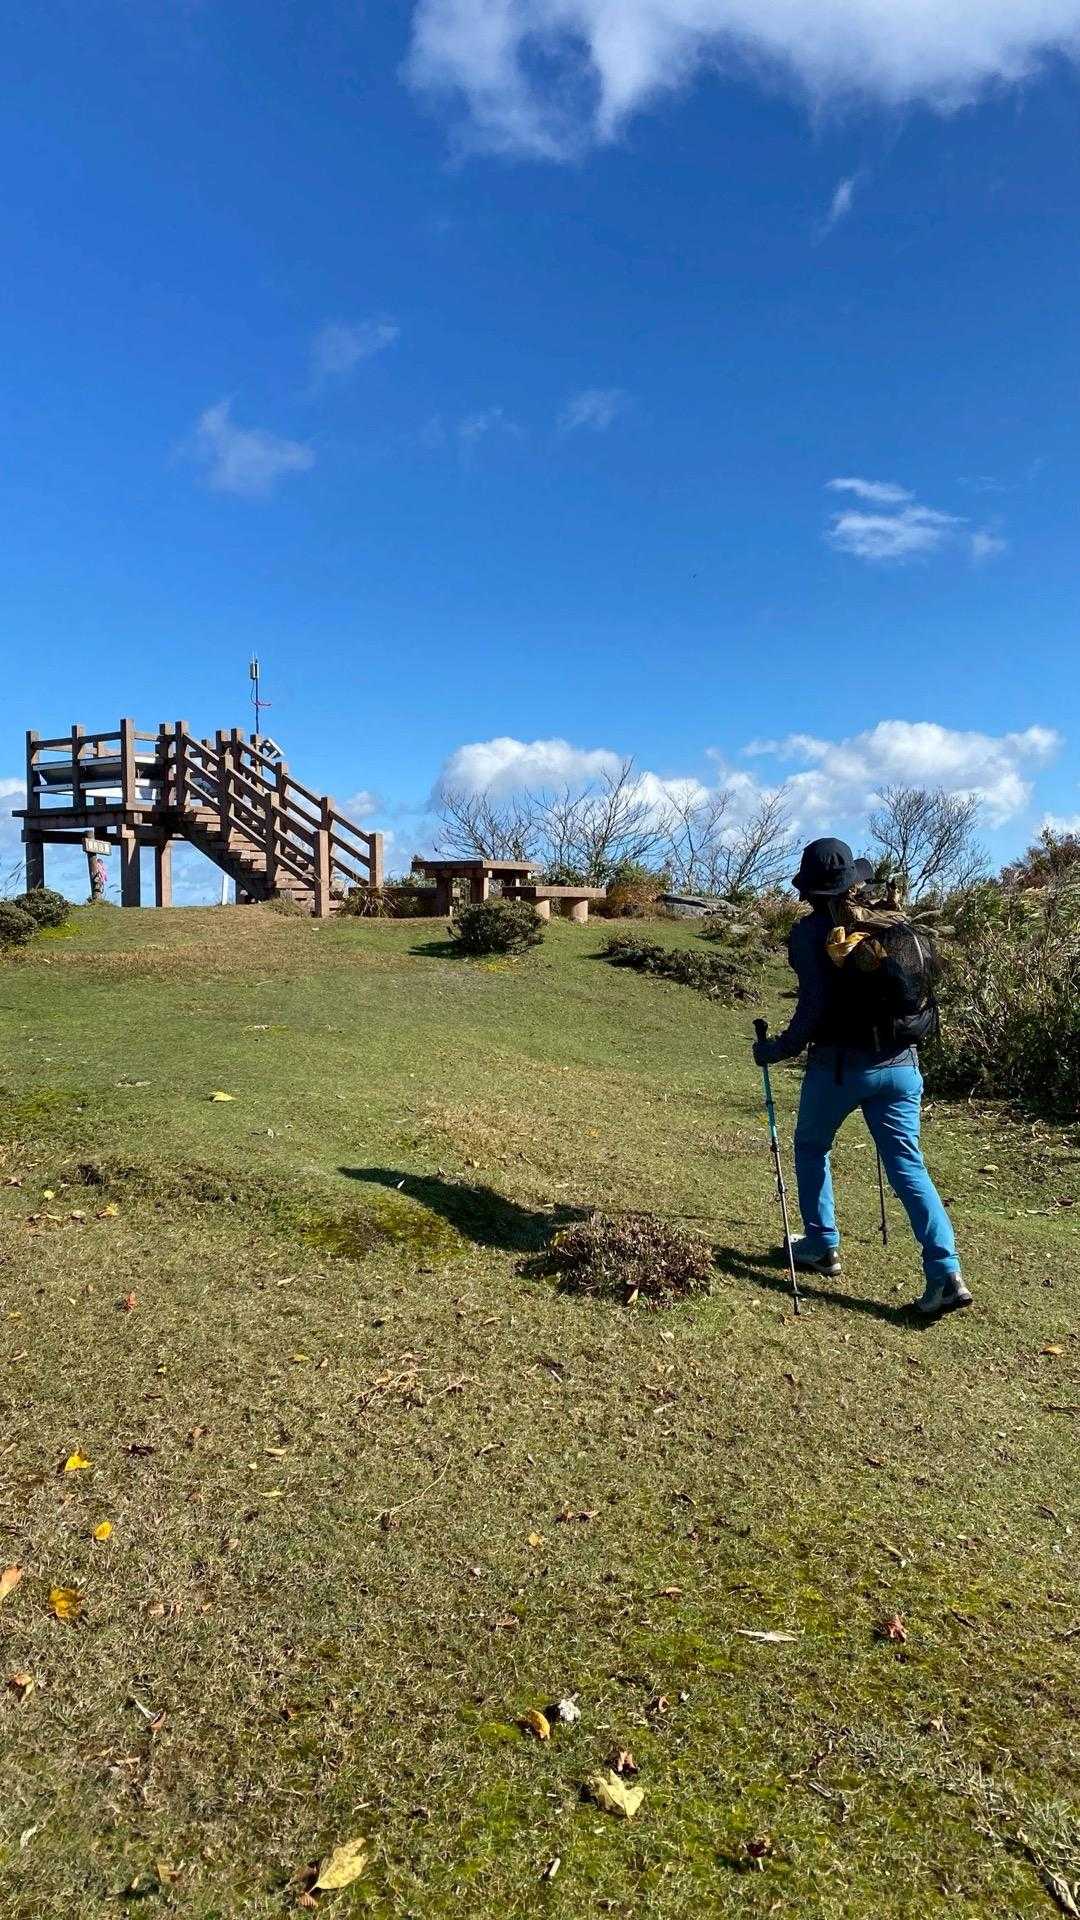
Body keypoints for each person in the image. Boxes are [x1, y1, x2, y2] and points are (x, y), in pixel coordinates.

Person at [752, 837, 971, 1318]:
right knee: (908, 1166)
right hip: (901, 1065)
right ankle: (945, 1273)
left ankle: (821, 1244)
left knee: (812, 1147)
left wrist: (776, 1050)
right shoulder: (888, 923)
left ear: (809, 890)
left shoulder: (810, 934)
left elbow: (812, 1008)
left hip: (839, 1068)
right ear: (855, 881)